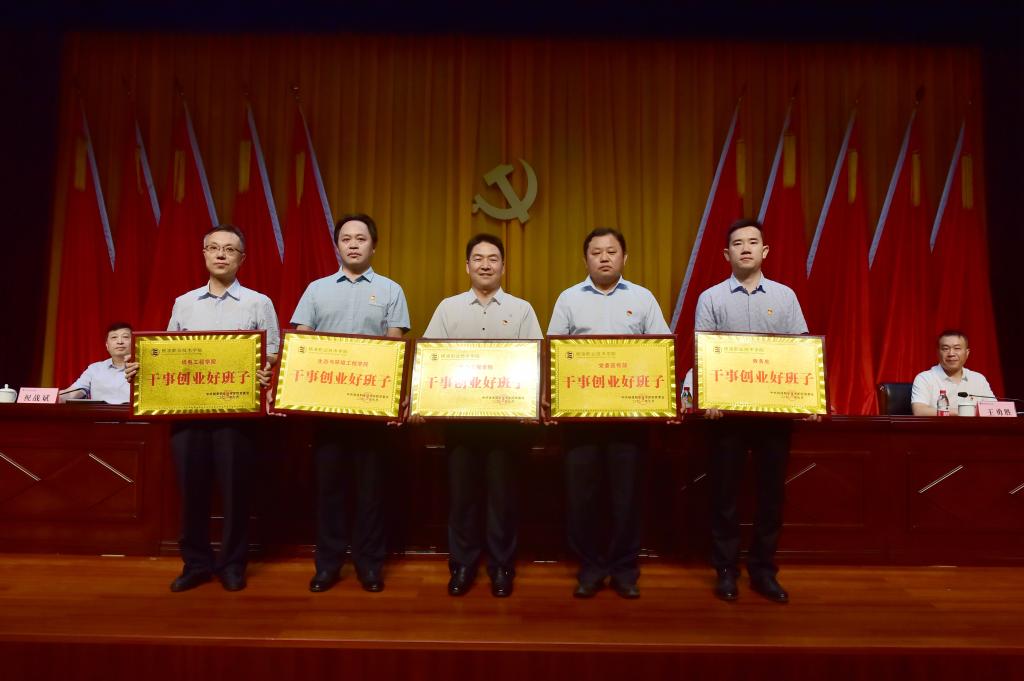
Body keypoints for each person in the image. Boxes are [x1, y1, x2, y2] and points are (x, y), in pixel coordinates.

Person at [129, 224, 279, 593]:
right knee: (191, 492)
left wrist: (263, 370)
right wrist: (142, 368)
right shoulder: (184, 303)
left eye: (230, 249)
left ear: (242, 259)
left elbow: (272, 353)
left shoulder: (258, 303)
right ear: (205, 255)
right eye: (214, 248)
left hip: (237, 415)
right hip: (189, 413)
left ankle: (232, 564)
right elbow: (166, 353)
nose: (221, 254)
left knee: (235, 492)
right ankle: (195, 564)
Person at [547, 227, 671, 599]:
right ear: (585, 259)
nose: (604, 257)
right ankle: (590, 567)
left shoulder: (643, 298)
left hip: (629, 419)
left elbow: (662, 351)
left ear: (624, 257)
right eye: (596, 252)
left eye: (611, 251)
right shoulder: (569, 299)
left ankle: (624, 569)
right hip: (580, 418)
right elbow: (552, 354)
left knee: (626, 496)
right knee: (582, 496)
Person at [695, 218, 814, 604]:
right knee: (724, 495)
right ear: (725, 254)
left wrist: (809, 398)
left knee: (770, 496)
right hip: (726, 417)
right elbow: (704, 353)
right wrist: (708, 398)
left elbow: (801, 351)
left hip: (773, 416)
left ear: (764, 251)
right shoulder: (711, 298)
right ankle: (726, 570)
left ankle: (763, 570)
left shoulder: (785, 296)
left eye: (752, 242)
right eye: (737, 243)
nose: (745, 248)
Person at [291, 213, 410, 594]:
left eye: (361, 238)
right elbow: (302, 341)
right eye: (346, 238)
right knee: (329, 491)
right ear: (337, 246)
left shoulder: (391, 290)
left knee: (370, 493)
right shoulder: (316, 290)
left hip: (371, 411)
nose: (354, 244)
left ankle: (369, 565)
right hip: (327, 411)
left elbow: (394, 344)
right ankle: (327, 565)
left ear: (374, 246)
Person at [422, 234, 543, 598]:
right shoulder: (448, 309)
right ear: (467, 266)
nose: (485, 264)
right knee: (462, 498)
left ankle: (501, 566)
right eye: (478, 258)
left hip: (507, 425)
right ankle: (462, 564)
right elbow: (430, 359)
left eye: (493, 258)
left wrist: (531, 404)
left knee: (502, 498)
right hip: (460, 423)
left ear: (503, 266)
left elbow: (536, 361)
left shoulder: (522, 310)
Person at [911, 330, 995, 416]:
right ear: (938, 353)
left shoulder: (978, 379)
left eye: (957, 348)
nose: (951, 353)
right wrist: (961, 412)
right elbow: (919, 411)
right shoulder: (924, 378)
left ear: (967, 353)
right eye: (945, 349)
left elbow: (994, 410)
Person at [59, 322, 132, 404]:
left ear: (134, 342)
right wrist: (56, 397)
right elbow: (74, 392)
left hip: (132, 412)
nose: (120, 342)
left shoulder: (141, 367)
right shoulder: (95, 369)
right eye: (114, 337)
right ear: (107, 346)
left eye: (125, 337)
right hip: (100, 412)